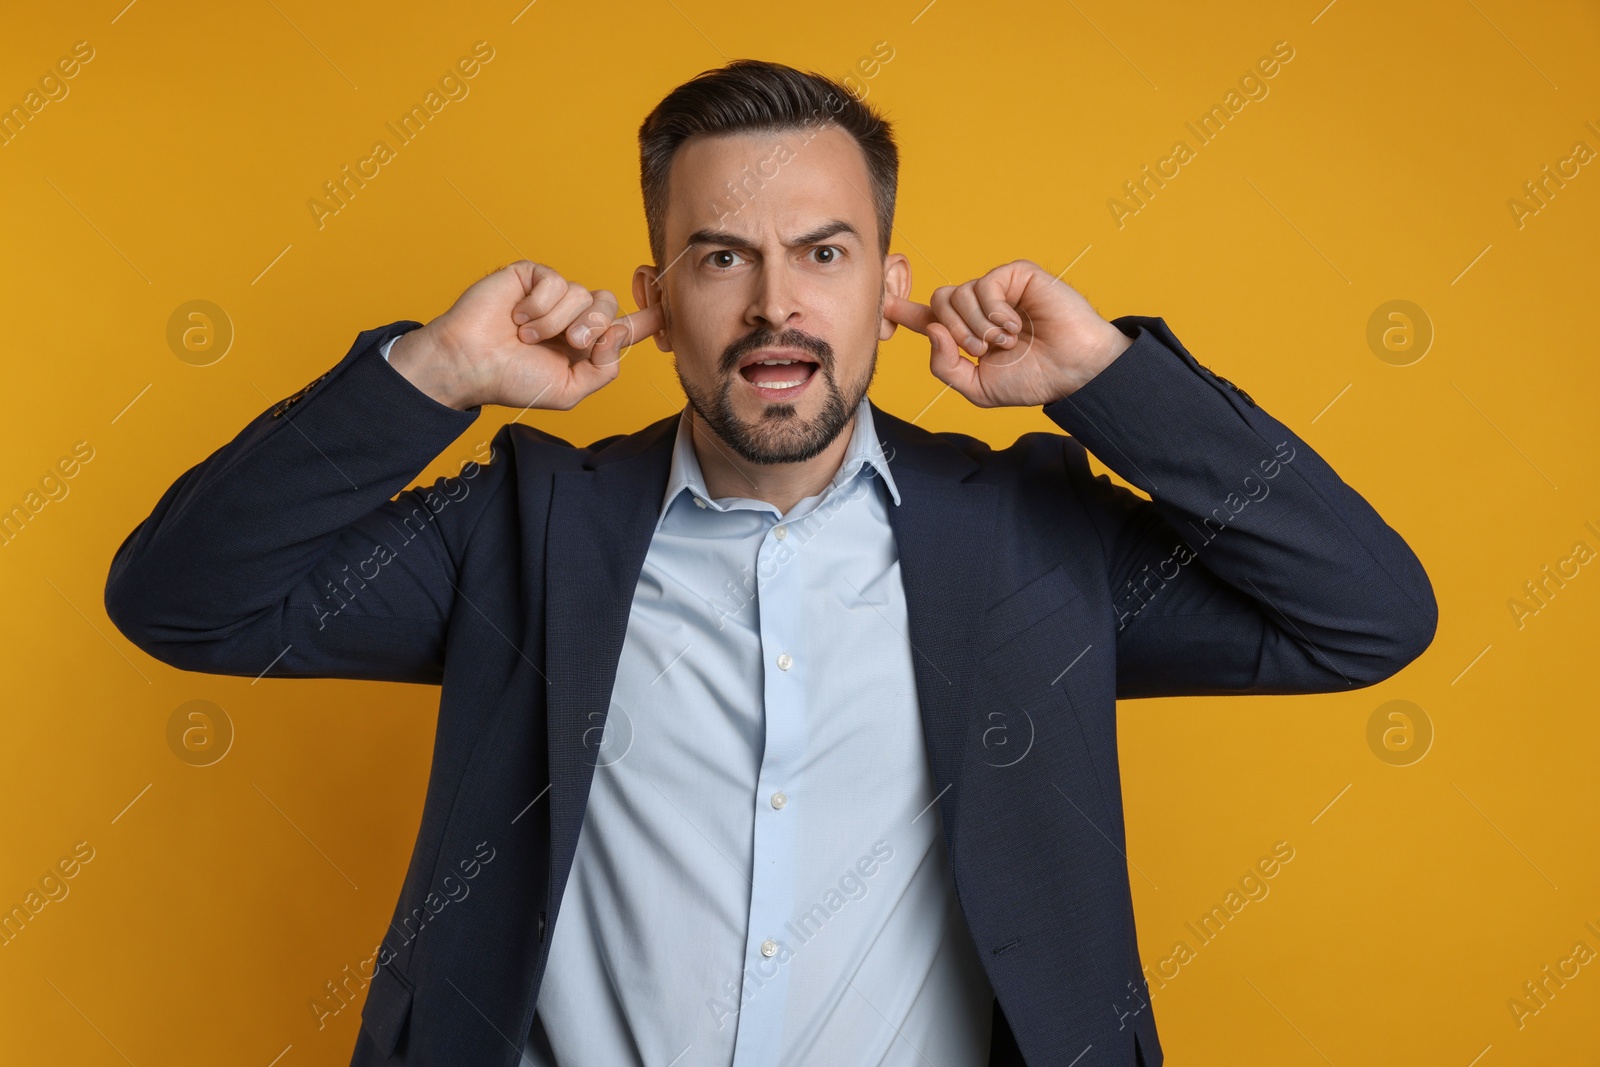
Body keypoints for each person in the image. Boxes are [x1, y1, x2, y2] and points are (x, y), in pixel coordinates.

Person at [104, 59, 1436, 1067]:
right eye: (721, 256)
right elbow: (183, 599)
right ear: (659, 297)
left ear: (885, 286)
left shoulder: (1033, 540)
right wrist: (436, 373)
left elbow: (1364, 615)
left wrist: (1105, 380)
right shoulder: (522, 530)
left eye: (824, 254)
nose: (774, 305)